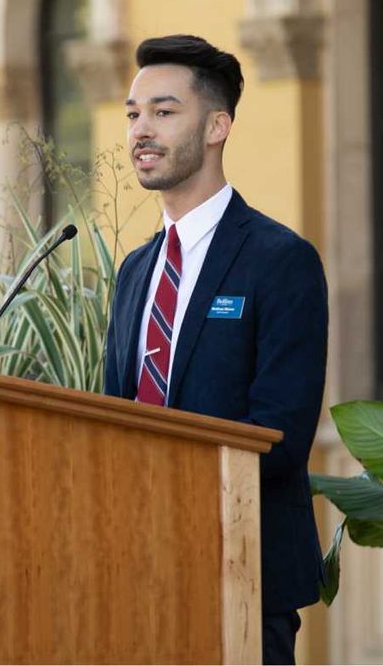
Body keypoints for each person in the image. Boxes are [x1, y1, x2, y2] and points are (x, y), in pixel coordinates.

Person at [102, 34, 328, 665]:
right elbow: (111, 419)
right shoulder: (134, 273)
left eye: (164, 112)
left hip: (242, 572)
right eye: (133, 113)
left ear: (217, 126)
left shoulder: (281, 261)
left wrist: (170, 493)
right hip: (137, 576)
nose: (141, 130)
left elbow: (280, 436)